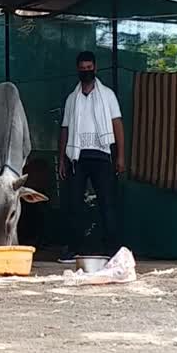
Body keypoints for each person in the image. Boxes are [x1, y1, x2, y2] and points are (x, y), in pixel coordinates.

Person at [57, 51, 125, 262]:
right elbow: (65, 130)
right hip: (77, 156)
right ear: (78, 70)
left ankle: (112, 251)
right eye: (82, 68)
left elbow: (117, 125)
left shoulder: (108, 96)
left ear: (95, 68)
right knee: (74, 204)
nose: (86, 71)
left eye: (89, 68)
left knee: (107, 203)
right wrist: (61, 160)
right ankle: (73, 249)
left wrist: (120, 156)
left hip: (102, 154)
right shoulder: (72, 99)